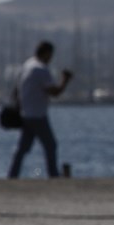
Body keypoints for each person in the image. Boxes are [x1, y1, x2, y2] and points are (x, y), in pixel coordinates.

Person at [8, 40, 74, 179]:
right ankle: (53, 174)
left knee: (22, 148)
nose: (51, 58)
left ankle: (12, 175)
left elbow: (16, 89)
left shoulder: (28, 65)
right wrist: (65, 80)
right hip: (37, 115)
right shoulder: (40, 69)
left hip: (26, 113)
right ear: (46, 53)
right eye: (51, 55)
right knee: (50, 145)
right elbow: (55, 92)